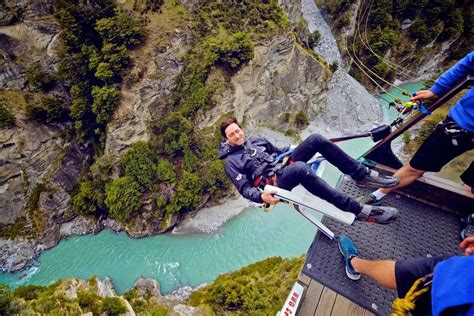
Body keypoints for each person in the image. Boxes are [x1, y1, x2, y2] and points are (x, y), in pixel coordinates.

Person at [217, 117, 400, 224]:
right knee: (301, 169)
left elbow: (279, 152)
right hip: (273, 183)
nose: (237, 135)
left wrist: (298, 147)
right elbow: (245, 189)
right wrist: (261, 197)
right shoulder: (231, 163)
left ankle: (361, 175)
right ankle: (356, 209)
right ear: (227, 140)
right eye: (231, 135)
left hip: (283, 164)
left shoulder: (256, 140)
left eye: (237, 131)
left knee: (316, 139)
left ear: (241, 129)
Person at [359, 52, 474, 205]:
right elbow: (467, 63)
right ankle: (378, 195)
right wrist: (436, 90)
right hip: (462, 125)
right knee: (416, 167)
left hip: (463, 122)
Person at [338, 235, 474, 315]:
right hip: (463, 273)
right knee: (402, 272)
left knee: (403, 272)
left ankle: (353, 263)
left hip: (457, 288)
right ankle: (354, 264)